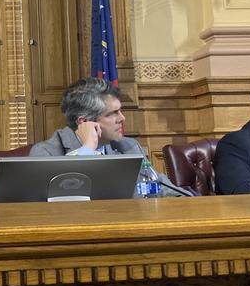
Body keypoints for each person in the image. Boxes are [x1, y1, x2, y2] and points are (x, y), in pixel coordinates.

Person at [30, 77, 185, 197]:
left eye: (120, 111)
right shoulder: (45, 154)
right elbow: (64, 203)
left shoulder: (128, 147)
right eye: (113, 113)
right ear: (85, 122)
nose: (122, 118)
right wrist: (87, 149)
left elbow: (164, 189)